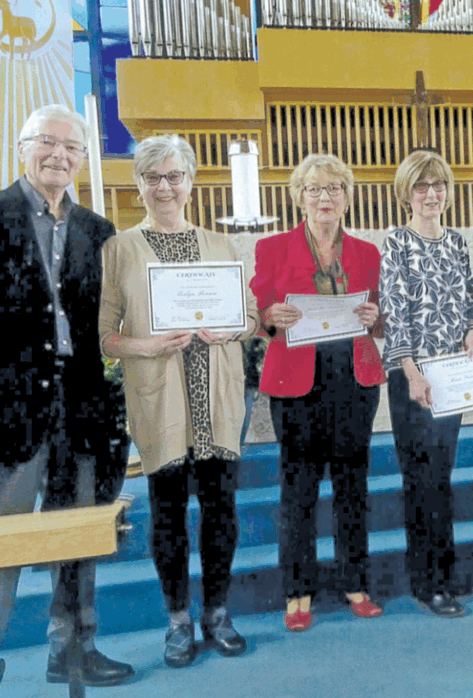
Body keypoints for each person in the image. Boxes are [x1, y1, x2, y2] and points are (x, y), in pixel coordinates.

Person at [99, 135, 257, 668]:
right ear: (138, 184)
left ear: (190, 182)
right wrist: (145, 344)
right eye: (152, 177)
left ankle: (216, 611)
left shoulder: (221, 245)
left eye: (174, 176)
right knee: (166, 513)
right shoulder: (120, 249)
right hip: (159, 399)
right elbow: (105, 337)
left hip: (217, 399)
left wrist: (230, 330)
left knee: (220, 510)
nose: (164, 187)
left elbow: (253, 320)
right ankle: (178, 620)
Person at [0, 104, 134, 688]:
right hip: (9, 412)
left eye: (71, 147)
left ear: (82, 159)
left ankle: (73, 648)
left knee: (76, 536)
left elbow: (114, 319)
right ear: (22, 148)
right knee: (1, 543)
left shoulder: (99, 232)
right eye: (47, 143)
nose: (59, 155)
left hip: (81, 409)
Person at [250, 154, 385, 631]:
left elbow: (383, 316)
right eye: (314, 189)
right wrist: (270, 317)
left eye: (334, 189)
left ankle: (356, 582)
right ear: (299, 197)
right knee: (298, 491)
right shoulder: (272, 248)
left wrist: (376, 318)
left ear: (347, 197)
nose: (324, 197)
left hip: (354, 383)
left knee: (353, 489)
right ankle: (298, 591)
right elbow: (259, 312)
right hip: (297, 386)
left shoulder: (369, 254)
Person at [379, 150, 473, 618]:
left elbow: (469, 301)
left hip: (452, 379)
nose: (431, 194)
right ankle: (427, 582)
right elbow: (395, 314)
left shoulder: (457, 241)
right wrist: (413, 374)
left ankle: (446, 568)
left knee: (443, 477)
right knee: (422, 481)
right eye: (421, 186)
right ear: (407, 193)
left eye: (438, 185)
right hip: (414, 381)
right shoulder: (396, 242)